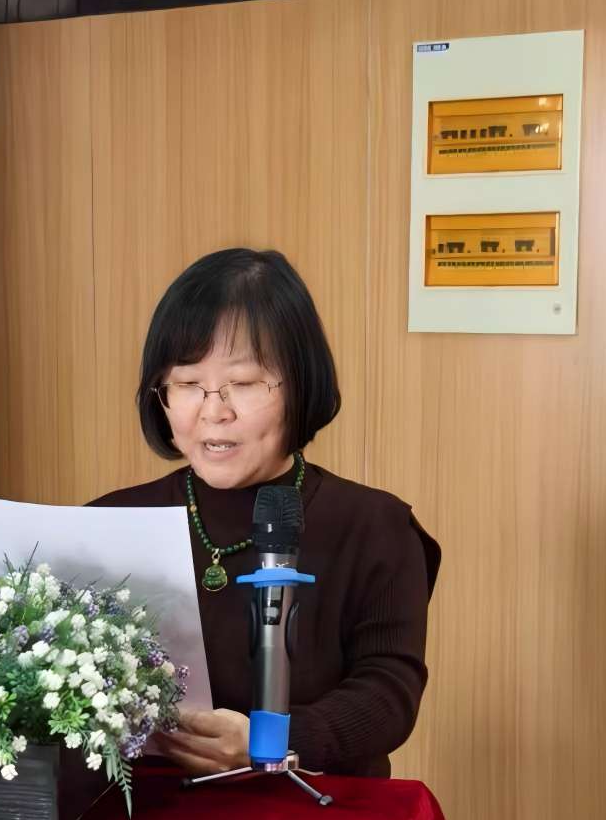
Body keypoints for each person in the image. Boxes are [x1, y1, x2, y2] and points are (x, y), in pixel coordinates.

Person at [90, 248, 440, 778]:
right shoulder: (107, 522)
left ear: (300, 385)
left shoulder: (374, 526)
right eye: (187, 384)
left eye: (245, 383)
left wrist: (273, 742)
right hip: (144, 813)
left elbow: (388, 695)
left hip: (317, 813)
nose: (214, 410)